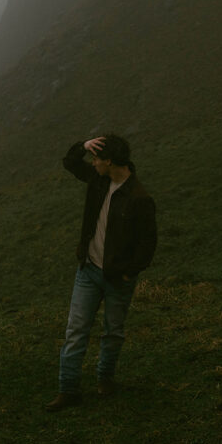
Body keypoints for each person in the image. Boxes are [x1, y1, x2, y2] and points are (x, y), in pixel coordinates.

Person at [46, 134, 157, 411]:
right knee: (76, 331)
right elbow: (70, 163)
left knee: (113, 332)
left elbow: (147, 245)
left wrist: (129, 273)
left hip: (117, 278)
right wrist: (83, 146)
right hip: (88, 271)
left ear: (109, 162)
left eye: (96, 158)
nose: (92, 162)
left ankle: (105, 380)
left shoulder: (139, 198)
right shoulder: (98, 179)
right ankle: (68, 389)